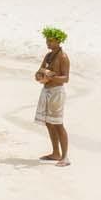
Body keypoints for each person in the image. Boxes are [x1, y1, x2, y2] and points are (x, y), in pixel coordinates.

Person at [34, 27, 71, 167]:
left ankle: (65, 157)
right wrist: (39, 76)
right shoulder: (48, 56)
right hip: (46, 90)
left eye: (50, 40)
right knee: (49, 123)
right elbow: (39, 71)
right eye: (47, 40)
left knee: (58, 124)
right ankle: (55, 153)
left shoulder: (63, 57)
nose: (47, 43)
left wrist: (51, 76)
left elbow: (66, 79)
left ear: (58, 41)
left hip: (57, 92)